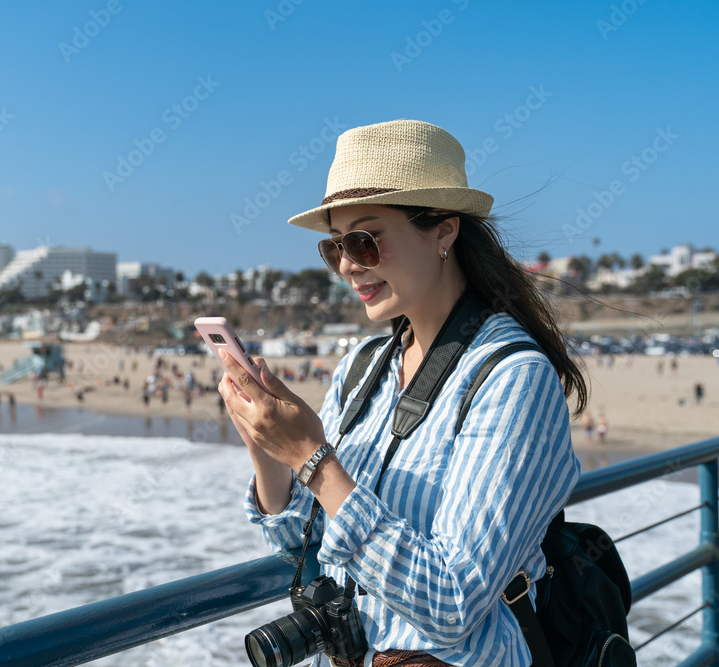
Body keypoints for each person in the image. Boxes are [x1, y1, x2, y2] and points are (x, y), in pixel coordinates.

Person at [216, 120, 585, 666]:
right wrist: (266, 442)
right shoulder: (363, 367)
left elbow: (453, 602)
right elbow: (301, 543)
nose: (347, 265)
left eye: (365, 240)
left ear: (444, 231)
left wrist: (310, 457)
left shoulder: (512, 378)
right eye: (336, 245)